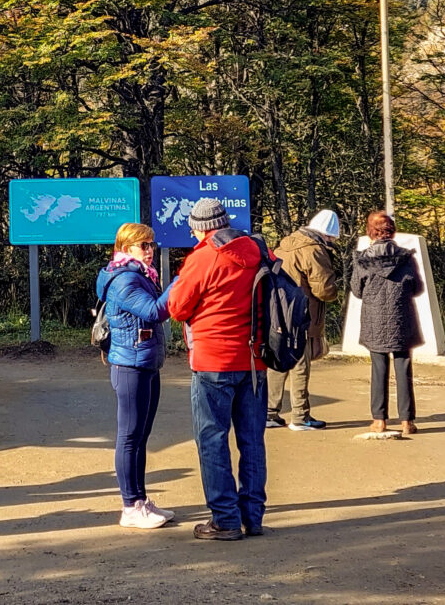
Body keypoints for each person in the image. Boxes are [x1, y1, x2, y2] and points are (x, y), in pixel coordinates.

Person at [164, 197, 269, 541]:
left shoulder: (204, 257)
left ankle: (225, 519)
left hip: (213, 361)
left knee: (212, 439)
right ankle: (252, 517)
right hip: (255, 359)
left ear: (201, 228)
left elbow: (178, 309)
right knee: (252, 440)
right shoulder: (258, 250)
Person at [96, 222, 174, 529]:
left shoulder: (141, 275)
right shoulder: (125, 279)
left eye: (151, 245)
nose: (150, 251)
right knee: (129, 437)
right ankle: (130, 506)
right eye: (144, 246)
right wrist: (181, 284)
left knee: (141, 436)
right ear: (126, 249)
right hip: (130, 365)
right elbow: (154, 311)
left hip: (145, 362)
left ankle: (140, 500)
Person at [266, 209, 341, 431]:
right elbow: (324, 289)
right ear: (327, 235)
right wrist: (335, 289)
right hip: (303, 315)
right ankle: (300, 416)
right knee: (300, 365)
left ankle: (270, 412)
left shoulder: (284, 245)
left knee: (278, 362)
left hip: (279, 312)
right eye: (332, 238)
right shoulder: (315, 250)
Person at [350, 210, 422, 436]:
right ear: (392, 231)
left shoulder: (363, 259)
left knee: (378, 368)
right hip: (401, 317)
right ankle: (407, 422)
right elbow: (417, 287)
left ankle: (379, 420)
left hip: (374, 318)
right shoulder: (405, 257)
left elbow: (356, 290)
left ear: (371, 232)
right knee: (404, 369)